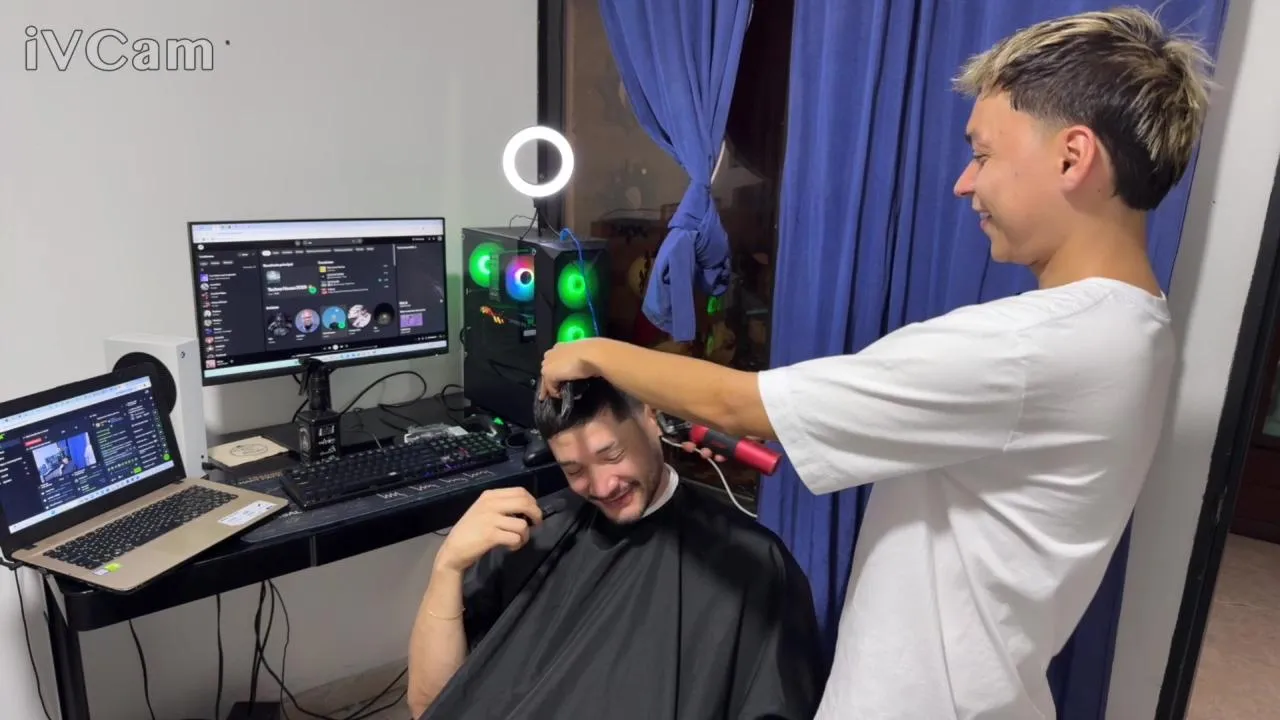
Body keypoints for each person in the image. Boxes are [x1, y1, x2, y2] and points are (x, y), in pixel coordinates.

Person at [538, 8, 1212, 719]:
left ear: (1072, 158)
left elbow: (745, 406)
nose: (964, 183)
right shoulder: (1139, 325)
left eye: (983, 155)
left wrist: (591, 350)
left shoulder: (1027, 349)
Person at [406, 377, 824, 720]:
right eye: (574, 470)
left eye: (612, 454)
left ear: (651, 418)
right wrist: (448, 567)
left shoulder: (752, 563)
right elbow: (431, 704)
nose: (603, 486)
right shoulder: (535, 534)